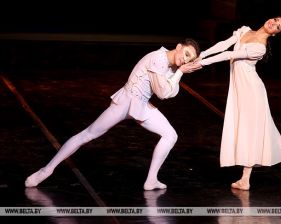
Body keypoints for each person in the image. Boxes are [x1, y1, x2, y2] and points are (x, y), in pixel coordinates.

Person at [25, 38, 202, 190]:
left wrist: (178, 72)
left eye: (189, 59)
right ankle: (46, 170)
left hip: (141, 105)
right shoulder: (158, 59)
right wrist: (179, 72)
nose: (185, 60)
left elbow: (170, 92)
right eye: (186, 54)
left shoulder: (172, 67)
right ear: (179, 46)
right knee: (88, 134)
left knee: (170, 135)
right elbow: (163, 93)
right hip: (125, 102)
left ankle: (151, 180)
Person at [195, 16, 281, 190]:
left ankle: (280, 171)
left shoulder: (260, 48)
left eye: (277, 26)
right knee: (259, 129)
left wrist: (201, 63)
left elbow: (230, 54)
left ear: (275, 34)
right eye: (275, 20)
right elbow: (224, 44)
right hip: (241, 89)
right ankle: (274, 172)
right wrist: (202, 53)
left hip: (252, 91)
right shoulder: (245, 30)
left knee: (258, 129)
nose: (273, 23)